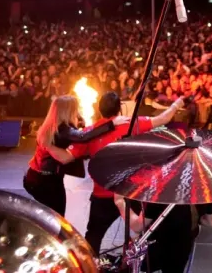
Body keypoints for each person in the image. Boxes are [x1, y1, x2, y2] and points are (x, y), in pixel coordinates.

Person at [58, 92, 186, 254]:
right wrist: (177, 104)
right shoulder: (132, 124)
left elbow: (65, 158)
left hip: (103, 195)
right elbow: (163, 119)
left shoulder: (91, 132)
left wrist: (46, 144)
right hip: (130, 193)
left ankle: (91, 264)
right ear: (119, 108)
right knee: (145, 230)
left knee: (94, 236)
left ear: (99, 109)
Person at [23, 95, 128, 216]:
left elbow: (76, 136)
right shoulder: (62, 129)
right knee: (56, 217)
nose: (78, 111)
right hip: (45, 181)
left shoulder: (53, 125)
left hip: (37, 177)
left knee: (52, 216)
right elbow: (82, 137)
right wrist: (111, 124)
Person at [114, 195, 212, 273]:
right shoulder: (206, 191)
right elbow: (210, 222)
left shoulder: (160, 194)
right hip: (183, 247)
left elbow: (137, 227)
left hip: (157, 247)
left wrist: (120, 202)